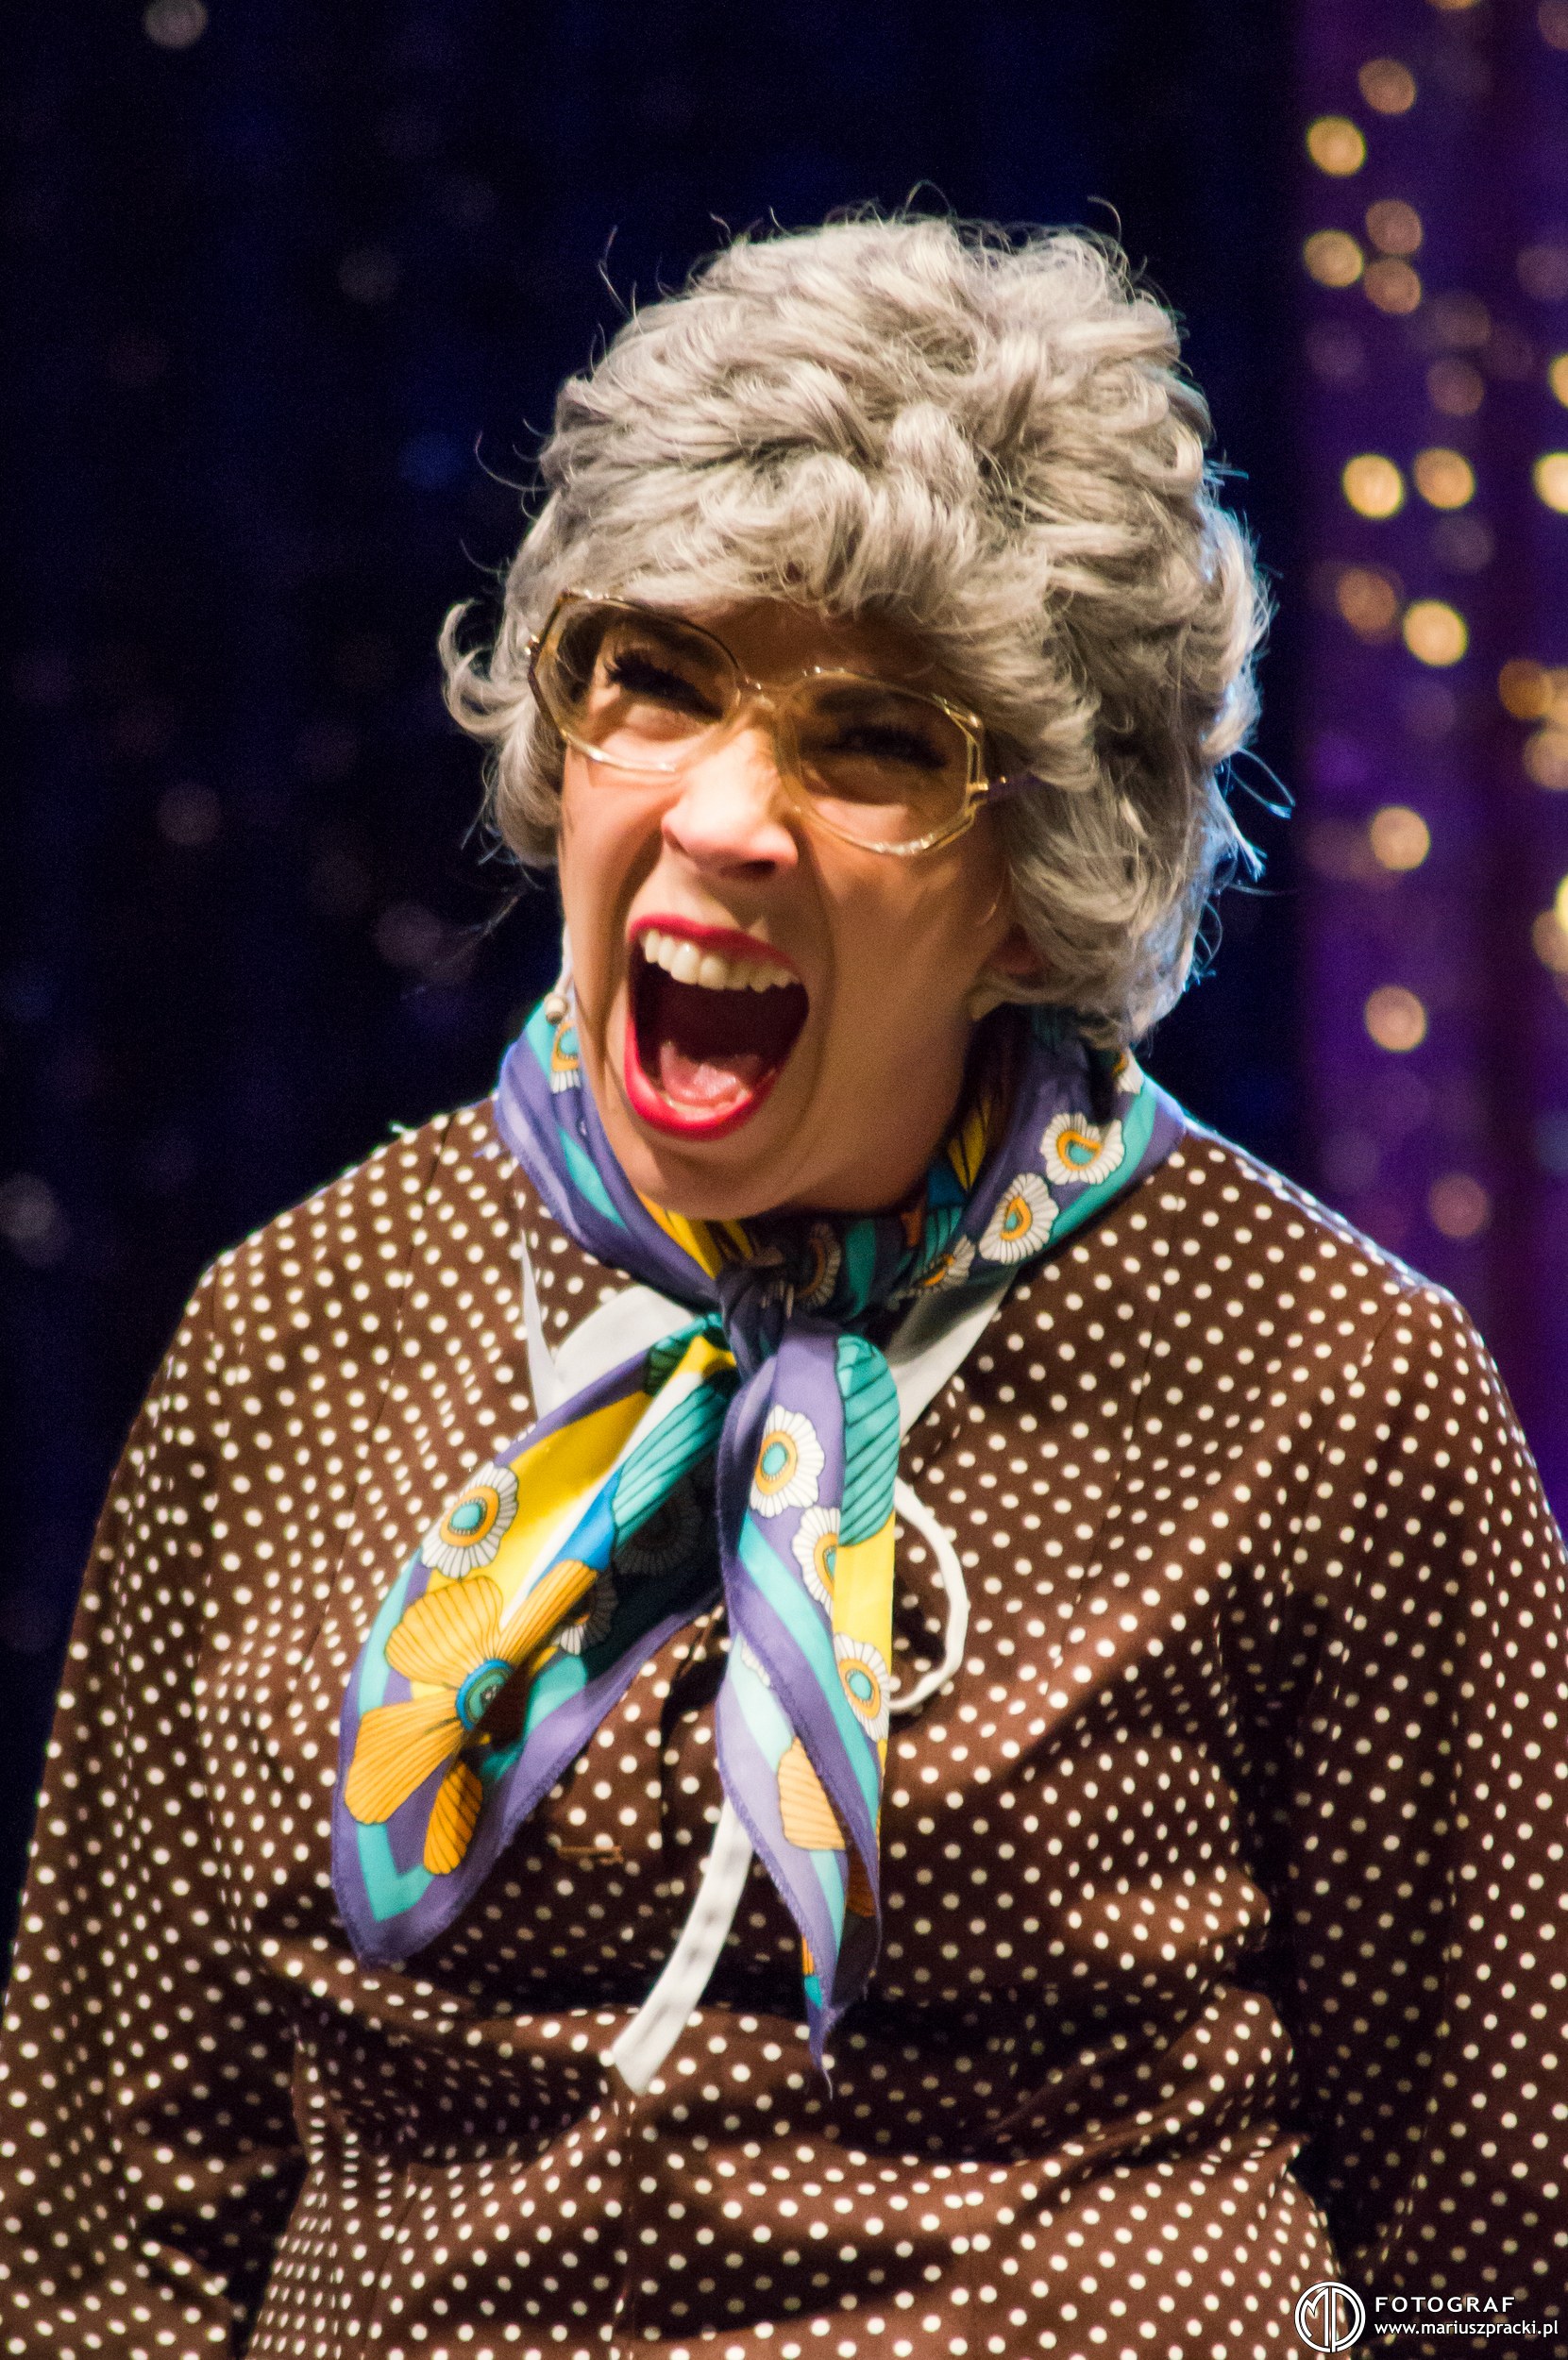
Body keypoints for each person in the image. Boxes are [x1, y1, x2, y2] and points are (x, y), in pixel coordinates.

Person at [0, 214, 1563, 2360]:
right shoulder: (297, 1324)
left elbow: (1497, 2259)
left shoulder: (1327, 1385)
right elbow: (105, 2240)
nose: (725, 816)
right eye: (653, 678)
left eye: (873, 744)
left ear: (1038, 889)